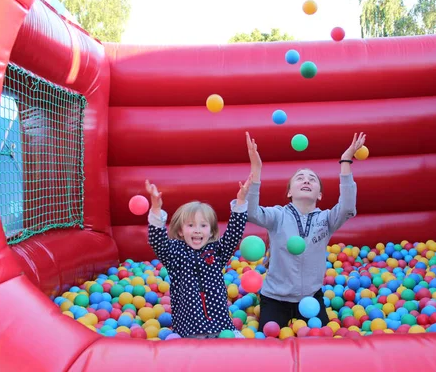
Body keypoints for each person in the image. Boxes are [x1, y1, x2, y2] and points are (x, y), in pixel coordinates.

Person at [245, 131, 366, 329]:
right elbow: (250, 212)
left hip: (310, 299)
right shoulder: (277, 216)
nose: (307, 180)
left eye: (313, 179)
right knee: (270, 341)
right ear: (290, 192)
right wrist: (256, 169)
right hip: (275, 298)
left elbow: (347, 207)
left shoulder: (326, 219)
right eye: (300, 178)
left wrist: (346, 161)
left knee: (320, 344)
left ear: (320, 195)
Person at [145, 175, 252, 338]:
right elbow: (157, 241)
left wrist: (241, 202)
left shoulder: (217, 250)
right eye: (190, 225)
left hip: (221, 327)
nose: (197, 230)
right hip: (190, 330)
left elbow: (234, 234)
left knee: (237, 346)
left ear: (211, 232)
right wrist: (156, 210)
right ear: (180, 231)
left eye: (203, 225)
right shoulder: (174, 252)